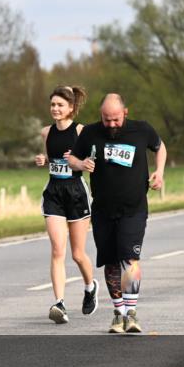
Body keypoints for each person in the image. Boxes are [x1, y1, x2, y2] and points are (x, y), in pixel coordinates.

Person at [68, 93, 166, 335]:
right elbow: (71, 158)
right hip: (102, 209)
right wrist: (80, 165)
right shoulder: (90, 132)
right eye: (106, 119)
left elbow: (160, 146)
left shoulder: (141, 130)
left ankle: (132, 313)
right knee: (111, 262)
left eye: (115, 120)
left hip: (134, 207)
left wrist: (159, 171)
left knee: (129, 258)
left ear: (125, 113)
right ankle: (118, 313)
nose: (111, 124)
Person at [33, 85, 97, 324]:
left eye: (60, 105)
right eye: (53, 105)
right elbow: (52, 156)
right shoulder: (45, 132)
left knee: (78, 254)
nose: (55, 109)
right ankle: (59, 303)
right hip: (54, 193)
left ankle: (90, 287)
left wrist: (79, 163)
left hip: (76, 192)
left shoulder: (82, 131)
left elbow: (90, 162)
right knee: (58, 250)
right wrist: (44, 159)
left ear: (71, 108)